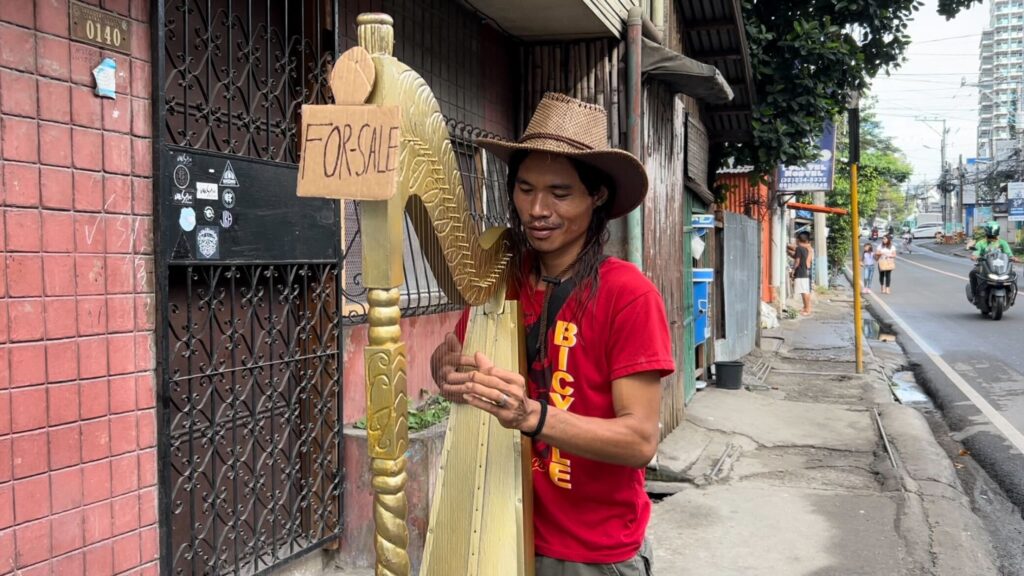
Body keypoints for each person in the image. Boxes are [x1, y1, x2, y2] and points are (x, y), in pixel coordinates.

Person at [430, 92, 673, 576]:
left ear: (596, 195)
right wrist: (446, 368)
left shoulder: (628, 295)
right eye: (524, 189)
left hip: (589, 553)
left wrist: (531, 415)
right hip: (501, 527)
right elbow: (457, 355)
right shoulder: (503, 279)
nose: (537, 209)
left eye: (560, 193)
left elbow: (640, 440)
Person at [969, 221, 1020, 297]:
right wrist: (974, 256)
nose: (992, 239)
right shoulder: (980, 243)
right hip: (985, 266)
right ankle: (974, 294)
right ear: (986, 234)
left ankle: (1011, 293)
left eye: (994, 237)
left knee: (1014, 274)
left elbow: (1009, 254)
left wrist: (1014, 258)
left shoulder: (1003, 243)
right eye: (990, 237)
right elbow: (975, 253)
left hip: (1002, 267)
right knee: (973, 273)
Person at [787, 231, 813, 315]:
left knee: (804, 291)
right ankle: (806, 308)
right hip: (806, 271)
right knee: (805, 290)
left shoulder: (799, 248)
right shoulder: (807, 248)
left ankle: (807, 309)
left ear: (798, 240)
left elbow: (797, 261)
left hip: (801, 271)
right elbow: (799, 256)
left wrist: (793, 270)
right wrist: (791, 254)